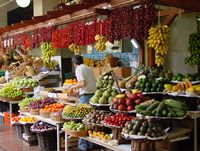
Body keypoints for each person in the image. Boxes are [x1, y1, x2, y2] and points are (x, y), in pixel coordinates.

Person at [68, 55, 96, 151]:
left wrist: (72, 87)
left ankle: (83, 146)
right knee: (90, 121)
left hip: (85, 98)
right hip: (93, 97)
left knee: (82, 122)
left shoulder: (79, 69)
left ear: (75, 63)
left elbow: (82, 83)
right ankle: (91, 144)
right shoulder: (89, 68)